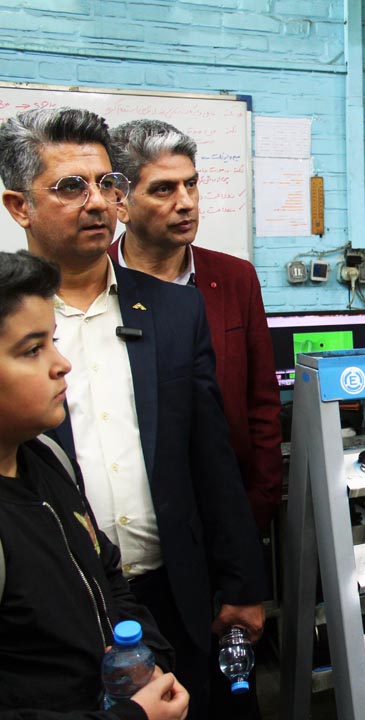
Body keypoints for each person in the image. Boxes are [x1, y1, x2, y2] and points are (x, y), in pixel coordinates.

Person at [0, 107, 265, 719]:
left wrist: (243, 583)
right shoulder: (14, 325)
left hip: (177, 585)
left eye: (106, 183)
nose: (97, 202)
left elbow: (212, 459)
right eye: (71, 186)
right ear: (20, 207)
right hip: (59, 606)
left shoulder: (174, 312)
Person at [0, 250, 189, 720]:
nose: (62, 364)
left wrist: (148, 662)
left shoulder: (49, 461)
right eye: (32, 350)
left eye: (53, 342)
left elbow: (108, 577)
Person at [106, 119, 283, 535]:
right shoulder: (95, 281)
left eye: (191, 184)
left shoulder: (234, 278)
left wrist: (261, 501)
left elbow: (262, 402)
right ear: (120, 202)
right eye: (163, 189)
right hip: (134, 519)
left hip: (225, 509)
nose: (186, 203)